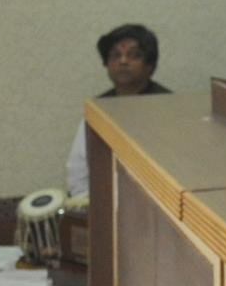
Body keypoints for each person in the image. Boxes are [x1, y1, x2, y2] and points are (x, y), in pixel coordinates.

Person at [65, 24, 169, 198]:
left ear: (150, 64)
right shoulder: (98, 110)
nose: (123, 61)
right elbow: (78, 170)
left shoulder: (169, 108)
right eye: (115, 55)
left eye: (134, 55)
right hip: (105, 205)